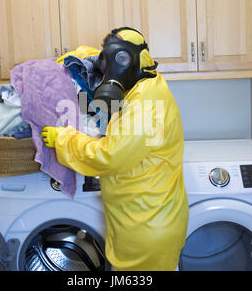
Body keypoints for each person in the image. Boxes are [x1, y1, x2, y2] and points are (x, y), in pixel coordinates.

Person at [41, 27, 188, 271]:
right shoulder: (144, 85)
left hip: (149, 228)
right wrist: (80, 60)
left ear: (128, 60)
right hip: (143, 219)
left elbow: (110, 156)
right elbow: (107, 107)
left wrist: (63, 139)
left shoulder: (147, 105)